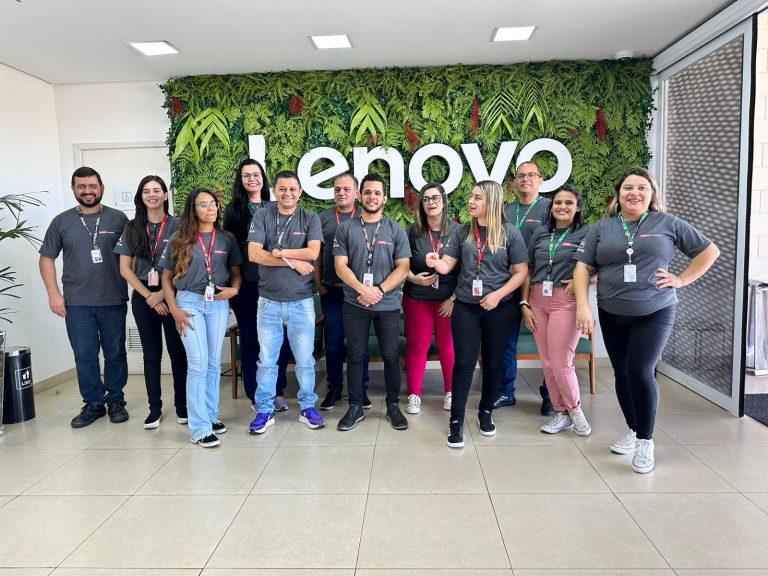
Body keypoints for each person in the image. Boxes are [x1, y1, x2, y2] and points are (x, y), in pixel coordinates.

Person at [574, 167, 719, 473]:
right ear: (618, 194)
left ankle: (645, 440)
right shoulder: (602, 227)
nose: (634, 193)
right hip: (611, 310)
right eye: (628, 187)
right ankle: (633, 428)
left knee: (640, 370)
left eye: (642, 187)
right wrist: (583, 307)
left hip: (655, 310)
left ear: (652, 194)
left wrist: (681, 279)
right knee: (621, 374)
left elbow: (709, 251)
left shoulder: (667, 223)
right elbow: (582, 267)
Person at [426, 180, 528, 448]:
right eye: (472, 196)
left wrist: (496, 295)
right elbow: (448, 266)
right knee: (464, 362)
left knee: (494, 363)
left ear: (491, 202)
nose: (471, 201)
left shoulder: (510, 233)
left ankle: (485, 413)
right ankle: (456, 422)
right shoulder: (462, 232)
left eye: (477, 197)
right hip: (466, 308)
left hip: (500, 307)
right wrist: (437, 263)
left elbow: (521, 273)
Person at [39, 166, 130, 428]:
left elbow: (132, 255)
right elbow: (46, 258)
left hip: (113, 299)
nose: (87, 191)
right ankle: (93, 403)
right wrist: (54, 294)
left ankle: (115, 400)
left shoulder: (118, 219)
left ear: (101, 187)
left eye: (92, 186)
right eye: (82, 187)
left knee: (115, 353)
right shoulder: (62, 221)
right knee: (84, 355)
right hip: (77, 303)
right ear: (74, 189)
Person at [160, 189, 242, 448]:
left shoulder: (226, 238)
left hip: (217, 303)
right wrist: (173, 308)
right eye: (203, 205)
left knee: (213, 363)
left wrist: (234, 290)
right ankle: (199, 428)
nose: (211, 209)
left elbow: (236, 273)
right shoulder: (179, 238)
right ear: (193, 209)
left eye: (213, 204)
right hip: (189, 302)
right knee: (197, 364)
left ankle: (210, 416)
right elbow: (165, 277)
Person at [247, 170, 325, 434]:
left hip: (301, 302)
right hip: (268, 302)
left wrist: (280, 252)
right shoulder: (263, 215)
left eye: (293, 189)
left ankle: (307, 407)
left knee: (305, 361)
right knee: (267, 361)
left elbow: (313, 252)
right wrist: (292, 261)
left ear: (300, 191)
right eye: (282, 188)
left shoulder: (310, 217)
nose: (287, 193)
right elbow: (254, 254)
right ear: (274, 190)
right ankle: (265, 410)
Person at [334, 173, 411, 431]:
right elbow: (339, 266)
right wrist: (361, 289)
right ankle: (355, 406)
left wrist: (378, 290)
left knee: (390, 355)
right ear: (359, 195)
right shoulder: (345, 228)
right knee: (355, 355)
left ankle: (392, 405)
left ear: (385, 198)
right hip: (354, 303)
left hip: (387, 304)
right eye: (367, 192)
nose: (372, 196)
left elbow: (403, 267)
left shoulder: (395, 229)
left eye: (377, 193)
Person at [518, 184, 591, 437]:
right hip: (538, 300)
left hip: (566, 302)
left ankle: (576, 411)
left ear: (577, 207)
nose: (562, 207)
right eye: (558, 203)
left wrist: (584, 281)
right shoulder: (540, 233)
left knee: (562, 362)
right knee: (548, 363)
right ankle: (561, 413)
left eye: (569, 203)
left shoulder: (586, 233)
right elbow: (527, 269)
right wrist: (524, 303)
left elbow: (602, 265)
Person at [115, 175, 187, 429]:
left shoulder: (180, 225)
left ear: (166, 195)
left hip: (172, 293)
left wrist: (164, 293)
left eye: (157, 190)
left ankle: (182, 406)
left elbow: (186, 263)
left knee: (178, 353)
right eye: (146, 191)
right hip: (144, 297)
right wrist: (148, 295)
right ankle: (154, 409)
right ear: (141, 196)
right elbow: (125, 268)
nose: (152, 194)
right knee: (151, 354)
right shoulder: (132, 227)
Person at [223, 159, 291, 412]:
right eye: (246, 175)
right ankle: (255, 393)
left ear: (264, 178)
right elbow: (229, 251)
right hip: (247, 285)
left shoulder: (275, 208)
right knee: (251, 339)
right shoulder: (233, 210)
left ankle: (277, 391)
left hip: (275, 284)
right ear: (240, 180)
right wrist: (233, 285)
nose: (252, 179)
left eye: (256, 174)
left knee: (278, 340)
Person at [498, 161, 555, 415]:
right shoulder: (506, 211)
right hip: (509, 283)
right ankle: (506, 391)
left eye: (532, 175)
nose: (526, 179)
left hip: (541, 282)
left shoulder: (549, 208)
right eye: (521, 176)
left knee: (549, 343)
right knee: (506, 341)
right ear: (514, 182)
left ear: (541, 180)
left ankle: (550, 395)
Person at [314, 172, 372, 410]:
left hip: (359, 292)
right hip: (332, 291)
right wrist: (318, 284)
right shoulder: (322, 218)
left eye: (347, 189)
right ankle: (335, 390)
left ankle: (362, 390)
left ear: (357, 193)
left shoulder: (366, 216)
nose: (341, 193)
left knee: (360, 343)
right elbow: (316, 253)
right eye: (337, 189)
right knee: (335, 342)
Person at [403, 182, 457, 414]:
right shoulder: (412, 232)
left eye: (435, 198)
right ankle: (414, 395)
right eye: (426, 199)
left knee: (448, 347)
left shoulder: (458, 231)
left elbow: (467, 270)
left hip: (448, 300)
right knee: (418, 345)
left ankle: (451, 392)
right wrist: (414, 279)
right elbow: (400, 266)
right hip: (418, 298)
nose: (431, 203)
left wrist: (454, 298)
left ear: (444, 201)